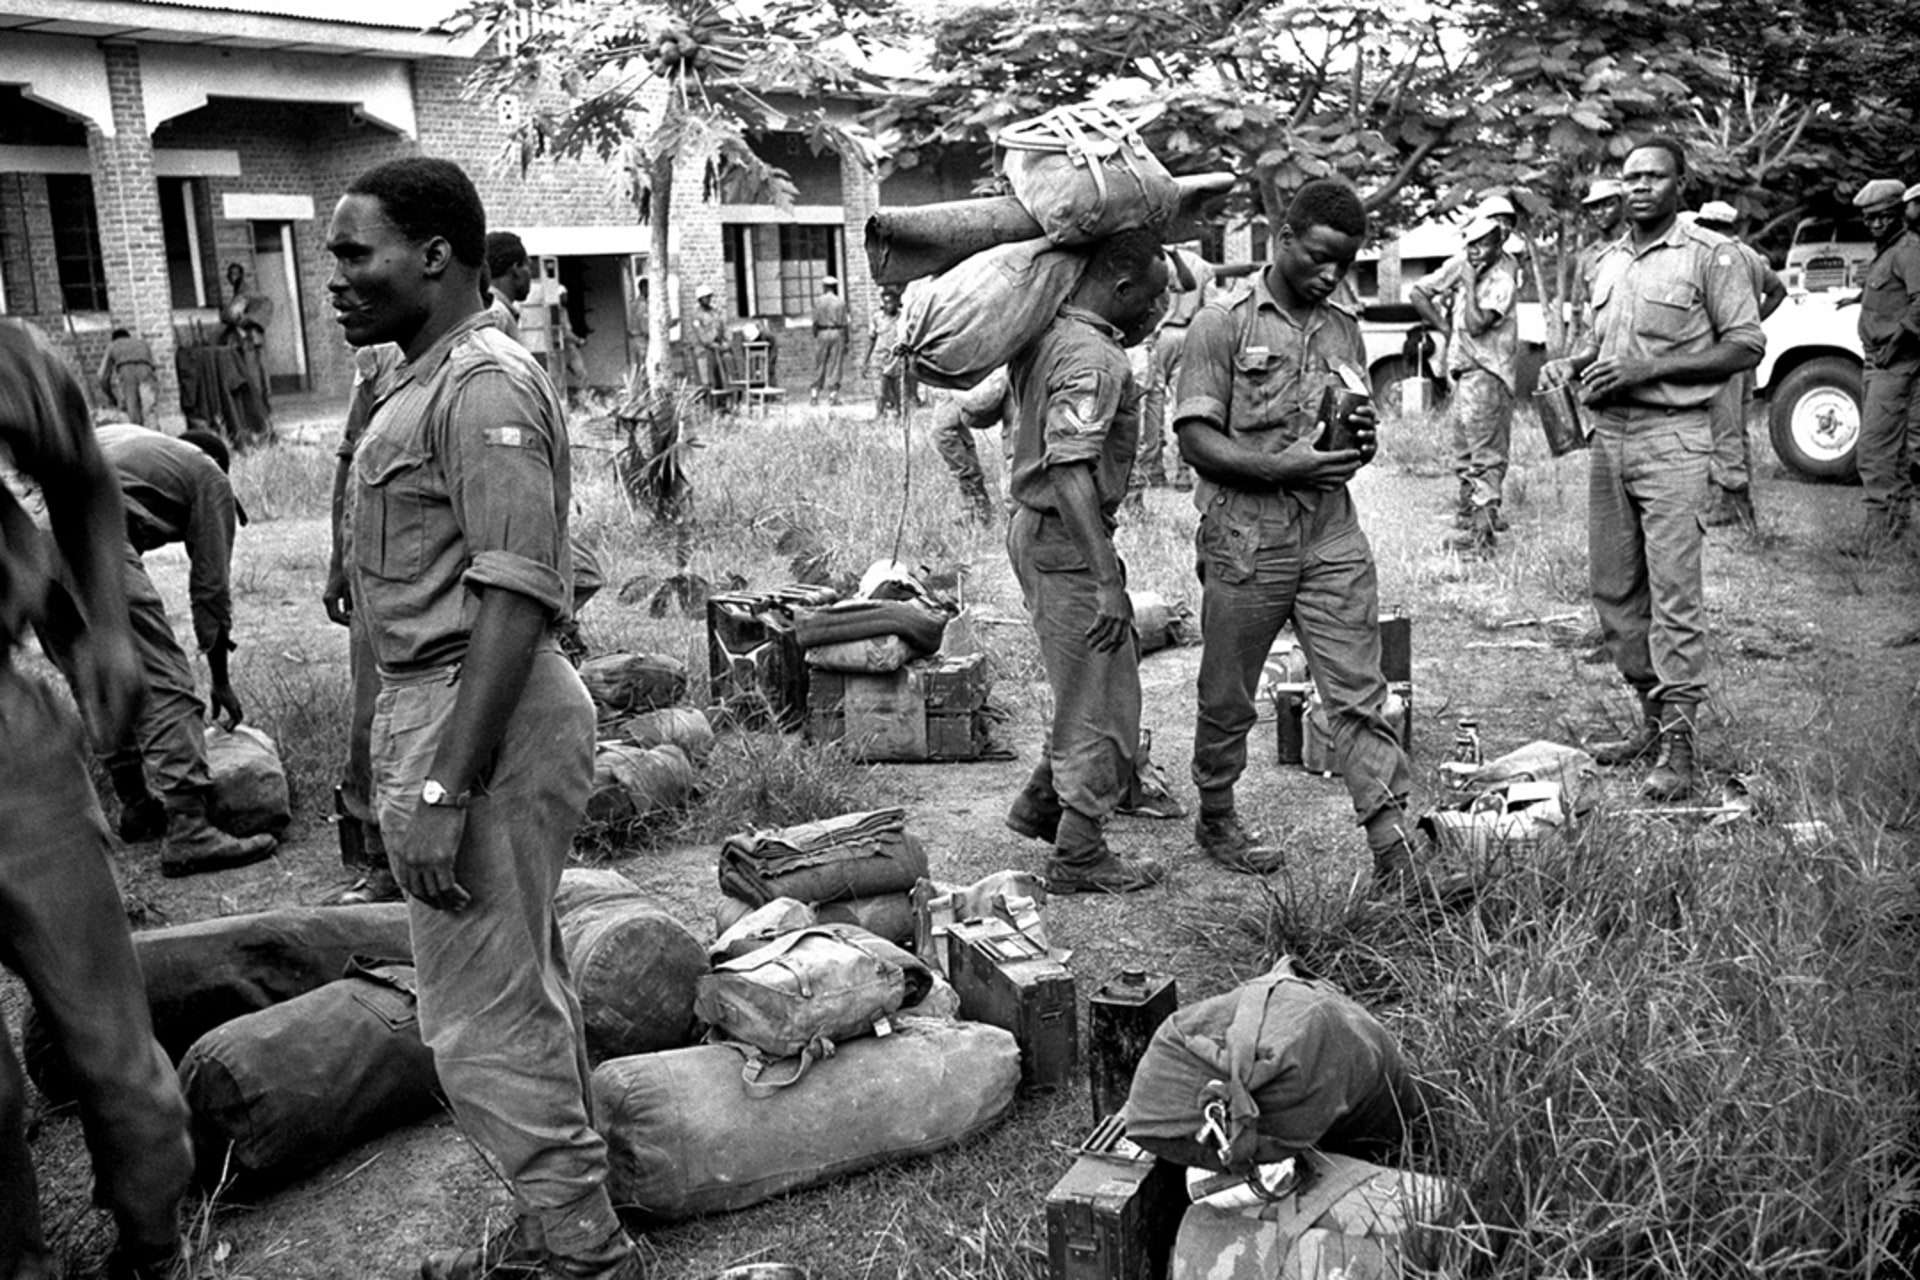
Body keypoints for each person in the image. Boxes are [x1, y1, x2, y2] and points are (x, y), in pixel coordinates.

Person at [324, 155, 639, 1280]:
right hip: (448, 702)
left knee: (477, 1014)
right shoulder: (416, 375)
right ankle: (577, 1208)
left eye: (356, 253)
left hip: (480, 711)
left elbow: (516, 591)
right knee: (514, 977)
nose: (336, 277)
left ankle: (581, 1249)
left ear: (435, 254)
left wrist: (441, 785)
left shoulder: (483, 384)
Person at [1, 317, 194, 1280]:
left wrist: (105, 631)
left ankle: (153, 1243)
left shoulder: (4, 353)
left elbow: (79, 478)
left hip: (9, 746)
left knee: (106, 1035)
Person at [1174, 177, 1416, 888]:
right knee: (1228, 693)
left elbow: (1354, 421)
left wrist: (1361, 440)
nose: (1331, 274)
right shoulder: (1223, 323)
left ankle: (1394, 847)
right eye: (1317, 257)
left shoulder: (1343, 324)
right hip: (1247, 536)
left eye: (1345, 263)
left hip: (1331, 533)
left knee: (1359, 691)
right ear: (1281, 240)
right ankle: (1216, 812)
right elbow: (1195, 439)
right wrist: (1282, 466)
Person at [1539, 136, 1764, 801]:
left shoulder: (1710, 256)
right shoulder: (1606, 262)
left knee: (1674, 594)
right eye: (1630, 176)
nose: (1639, 186)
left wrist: (1653, 368)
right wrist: (1572, 364)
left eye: (1654, 176)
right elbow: (1604, 342)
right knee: (1613, 587)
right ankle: (1650, 717)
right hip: (1610, 436)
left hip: (1674, 435)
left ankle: (1681, 745)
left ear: (1679, 184)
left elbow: (1748, 343)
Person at [1002, 227, 1171, 894]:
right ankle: (1079, 854)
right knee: (1106, 697)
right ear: (1122, 287)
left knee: (1086, 682)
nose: (1157, 312)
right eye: (1152, 298)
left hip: (1042, 532)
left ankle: (1043, 804)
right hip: (1065, 539)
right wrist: (1107, 581)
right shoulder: (1096, 359)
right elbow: (1071, 470)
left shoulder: (1048, 334)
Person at [88, 423, 280, 876]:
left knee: (98, 672)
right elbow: (210, 589)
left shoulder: (125, 440)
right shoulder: (209, 475)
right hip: (84, 529)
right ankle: (190, 830)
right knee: (165, 681)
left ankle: (136, 805)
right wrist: (220, 680)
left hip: (23, 530)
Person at [1410, 214, 1520, 555]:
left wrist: (1468, 283)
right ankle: (1470, 519)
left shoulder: (1502, 281)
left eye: (1482, 245)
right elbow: (1421, 293)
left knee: (1485, 458)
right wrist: (1443, 327)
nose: (1473, 253)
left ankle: (1482, 537)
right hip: (1465, 376)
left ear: (1497, 244)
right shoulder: (1470, 269)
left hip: (1488, 376)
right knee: (1464, 453)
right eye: (1469, 245)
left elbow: (1475, 325)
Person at [1691, 200, 1787, 532]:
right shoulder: (1751, 256)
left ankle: (1731, 500)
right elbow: (1779, 290)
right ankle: (1741, 501)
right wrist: (1751, 323)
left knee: (1724, 426)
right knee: (1738, 425)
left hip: (1725, 355)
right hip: (1744, 354)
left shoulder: (1718, 256)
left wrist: (1736, 329)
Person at [1848, 177, 1920, 550]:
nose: (1876, 224)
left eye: (1884, 217)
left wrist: (1899, 338)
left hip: (1895, 360)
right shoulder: (1888, 251)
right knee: (1892, 449)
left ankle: (1876, 536)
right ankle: (1895, 530)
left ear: (1899, 214)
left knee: (1874, 448)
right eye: (1870, 218)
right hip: (1877, 360)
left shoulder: (1908, 249)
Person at [933, 366, 1011, 523]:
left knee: (1015, 442)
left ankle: (983, 503)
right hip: (953, 367)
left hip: (984, 363)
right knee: (944, 432)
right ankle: (974, 501)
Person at [221, 261, 276, 442]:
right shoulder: (240, 293)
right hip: (246, 345)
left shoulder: (247, 293)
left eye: (236, 274)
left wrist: (248, 319)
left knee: (256, 386)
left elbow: (232, 314)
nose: (233, 278)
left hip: (250, 345)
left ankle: (264, 428)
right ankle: (261, 426)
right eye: (231, 275)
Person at [1570, 178, 1625, 346]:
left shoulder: (1639, 247)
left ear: (1623, 205)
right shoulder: (1587, 257)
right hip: (1597, 346)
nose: (1600, 212)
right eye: (1594, 207)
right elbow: (1578, 311)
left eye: (1609, 205)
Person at [97, 327, 159, 427]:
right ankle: (156, 436)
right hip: (146, 370)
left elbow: (102, 376)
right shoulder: (143, 343)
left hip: (126, 372)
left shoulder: (113, 345)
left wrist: (110, 396)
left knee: (132, 411)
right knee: (149, 410)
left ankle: (137, 436)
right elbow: (154, 367)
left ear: (114, 339)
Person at [485, 231, 533, 344]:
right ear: (516, 268)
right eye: (529, 266)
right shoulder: (498, 316)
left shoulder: (487, 308)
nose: (530, 274)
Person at [865, 287, 906, 420]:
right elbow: (871, 339)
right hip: (879, 358)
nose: (889, 305)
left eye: (892, 302)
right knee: (880, 392)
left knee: (898, 391)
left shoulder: (903, 318)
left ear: (897, 302)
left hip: (896, 359)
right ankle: (879, 414)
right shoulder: (877, 318)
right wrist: (865, 361)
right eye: (886, 302)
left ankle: (900, 415)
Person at [689, 285, 731, 410]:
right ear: (699, 299)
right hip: (704, 351)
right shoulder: (696, 316)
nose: (708, 300)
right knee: (706, 381)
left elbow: (724, 327)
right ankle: (709, 407)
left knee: (721, 377)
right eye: (705, 298)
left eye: (709, 297)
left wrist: (726, 342)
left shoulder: (715, 312)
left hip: (718, 350)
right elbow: (701, 335)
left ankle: (722, 405)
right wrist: (711, 343)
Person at [809, 274, 848, 406]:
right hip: (837, 332)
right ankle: (832, 396)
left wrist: (816, 335)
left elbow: (814, 321)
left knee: (819, 363)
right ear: (834, 287)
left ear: (825, 287)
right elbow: (844, 323)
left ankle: (814, 395)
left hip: (822, 332)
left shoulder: (818, 301)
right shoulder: (840, 302)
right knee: (835, 364)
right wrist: (846, 340)